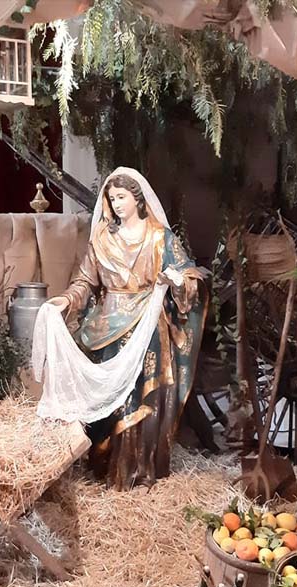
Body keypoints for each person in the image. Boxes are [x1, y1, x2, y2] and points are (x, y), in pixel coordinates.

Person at [43, 167, 206, 490]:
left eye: (122, 197)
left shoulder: (160, 238)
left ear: (137, 199)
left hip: (148, 328)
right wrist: (65, 300)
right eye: (111, 198)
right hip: (107, 325)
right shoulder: (102, 239)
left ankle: (139, 470)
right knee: (109, 403)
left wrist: (174, 280)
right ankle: (107, 467)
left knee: (141, 399)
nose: (116, 204)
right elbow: (86, 281)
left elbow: (190, 275)